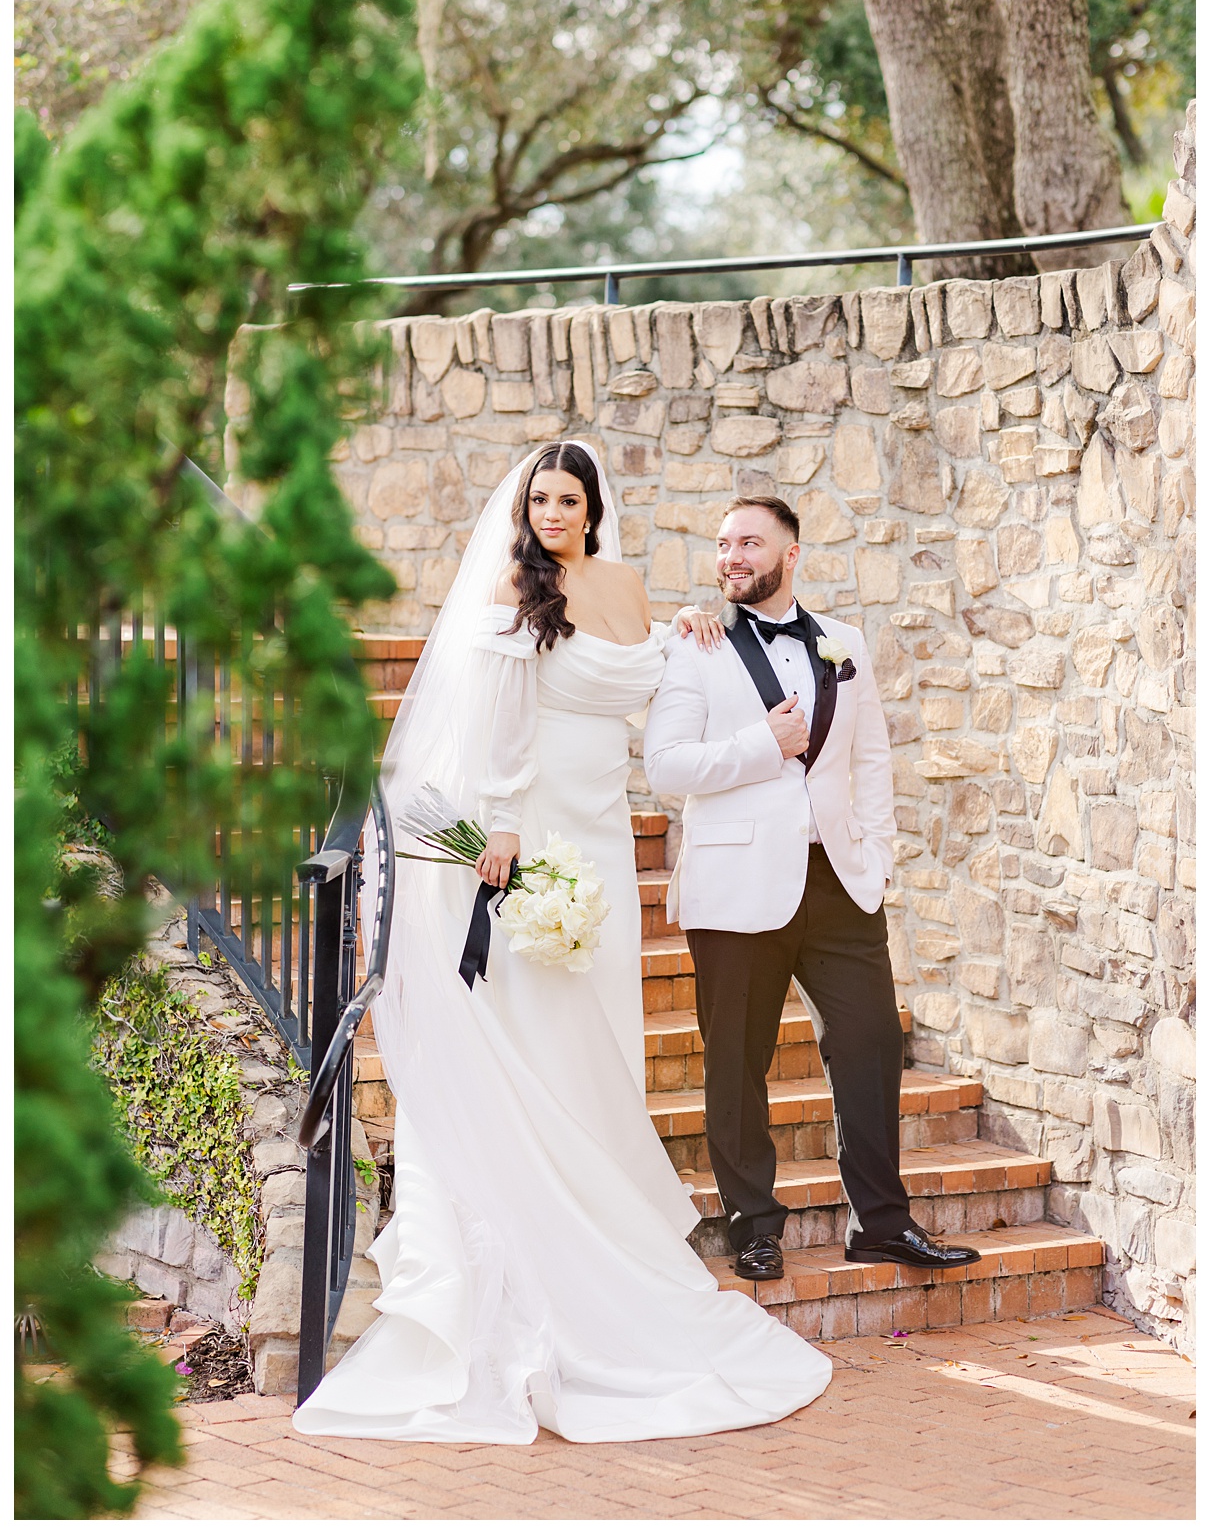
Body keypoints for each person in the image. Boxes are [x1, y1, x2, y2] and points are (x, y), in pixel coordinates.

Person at [293, 444, 831, 1444]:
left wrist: (686, 626)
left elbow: (643, 685)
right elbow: (498, 712)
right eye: (538, 497)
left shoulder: (622, 584)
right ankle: (533, 1239)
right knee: (535, 1029)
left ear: (593, 509)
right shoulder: (513, 583)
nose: (549, 512)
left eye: (566, 499)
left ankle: (602, 1212)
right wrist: (497, 824)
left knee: (595, 1034)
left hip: (602, 836)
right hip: (533, 826)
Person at [644, 495, 981, 1282]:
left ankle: (882, 1224)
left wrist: (878, 856)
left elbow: (870, 763)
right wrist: (762, 744)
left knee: (867, 1048)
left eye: (749, 543)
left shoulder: (844, 642)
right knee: (737, 1062)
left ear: (791, 554)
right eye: (723, 543)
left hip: (840, 883)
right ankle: (752, 1225)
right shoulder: (694, 646)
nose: (731, 557)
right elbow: (666, 767)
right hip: (737, 884)